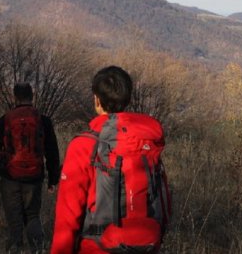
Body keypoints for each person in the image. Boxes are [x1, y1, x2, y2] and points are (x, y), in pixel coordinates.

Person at [51, 66, 169, 253]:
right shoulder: (147, 143)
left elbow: (68, 215)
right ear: (127, 99)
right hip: (145, 245)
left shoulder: (84, 145)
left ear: (97, 100)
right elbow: (163, 202)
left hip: (96, 247)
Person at [0, 82, 60, 253]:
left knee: (14, 217)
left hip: (9, 176)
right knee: (32, 215)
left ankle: (15, 248)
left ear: (15, 97)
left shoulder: (5, 120)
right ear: (32, 97)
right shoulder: (43, 120)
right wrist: (53, 178)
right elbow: (52, 151)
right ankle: (37, 249)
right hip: (34, 177)